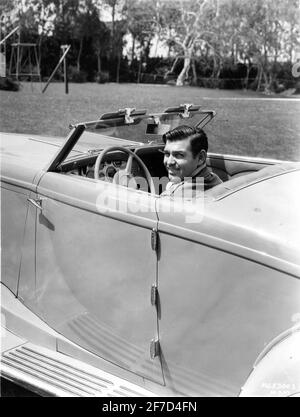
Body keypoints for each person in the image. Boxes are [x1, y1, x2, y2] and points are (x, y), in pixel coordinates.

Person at [161, 125, 222, 197]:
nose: (169, 162)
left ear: (201, 158)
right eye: (167, 154)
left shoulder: (172, 197)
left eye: (179, 155)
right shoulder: (215, 179)